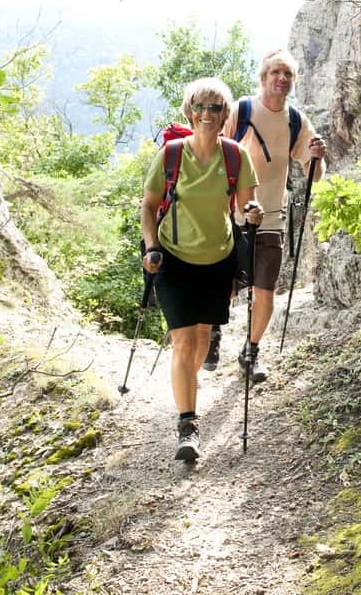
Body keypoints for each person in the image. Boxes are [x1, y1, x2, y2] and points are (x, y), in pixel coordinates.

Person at [140, 77, 262, 462]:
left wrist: (252, 212)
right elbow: (148, 205)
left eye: (216, 108)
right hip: (173, 258)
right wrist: (151, 246)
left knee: (201, 337)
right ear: (189, 112)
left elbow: (246, 205)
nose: (208, 114)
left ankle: (186, 386)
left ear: (226, 115)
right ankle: (188, 424)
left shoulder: (235, 156)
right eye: (201, 107)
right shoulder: (172, 155)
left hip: (217, 259)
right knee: (182, 342)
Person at [203, 49, 326, 382]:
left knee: (265, 290)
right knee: (223, 285)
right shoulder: (242, 110)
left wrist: (316, 156)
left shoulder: (295, 121)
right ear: (263, 78)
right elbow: (211, 150)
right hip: (230, 215)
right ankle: (213, 333)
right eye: (276, 73)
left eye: (287, 74)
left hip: (272, 217)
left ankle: (251, 352)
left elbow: (314, 174)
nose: (282, 79)